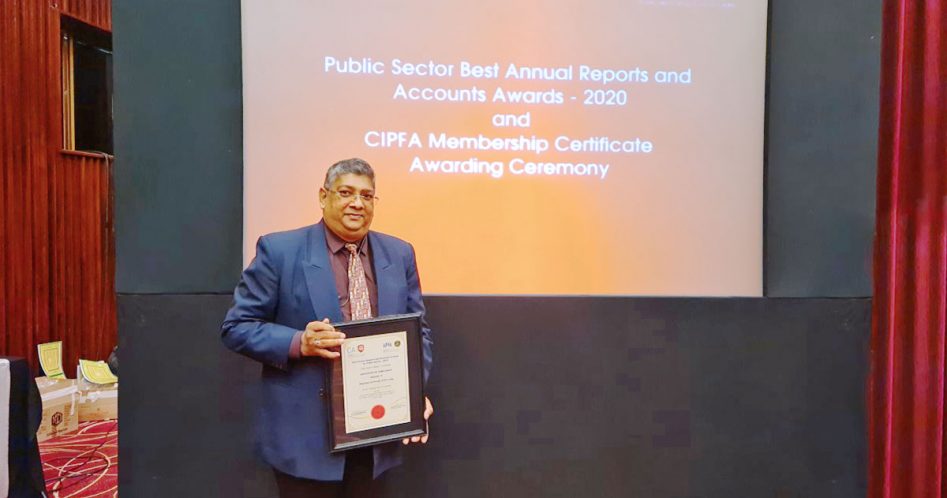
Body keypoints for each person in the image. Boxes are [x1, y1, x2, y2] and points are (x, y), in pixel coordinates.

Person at [221, 158, 434, 498]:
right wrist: (298, 342)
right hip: (307, 438)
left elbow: (417, 332)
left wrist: (411, 392)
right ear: (323, 196)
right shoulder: (280, 251)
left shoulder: (399, 253)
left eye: (367, 195)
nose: (357, 203)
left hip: (377, 430)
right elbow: (237, 326)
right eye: (346, 192)